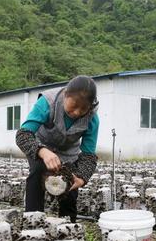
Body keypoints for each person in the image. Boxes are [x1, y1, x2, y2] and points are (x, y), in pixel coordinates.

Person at [15, 75, 99, 222]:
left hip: (68, 152)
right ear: (66, 95)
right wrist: (42, 151)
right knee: (37, 172)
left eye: (83, 109)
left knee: (70, 186)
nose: (77, 112)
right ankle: (32, 222)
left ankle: (68, 227)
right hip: (40, 145)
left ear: (90, 106)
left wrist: (82, 178)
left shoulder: (92, 118)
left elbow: (88, 155)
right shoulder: (48, 102)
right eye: (73, 106)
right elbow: (23, 135)